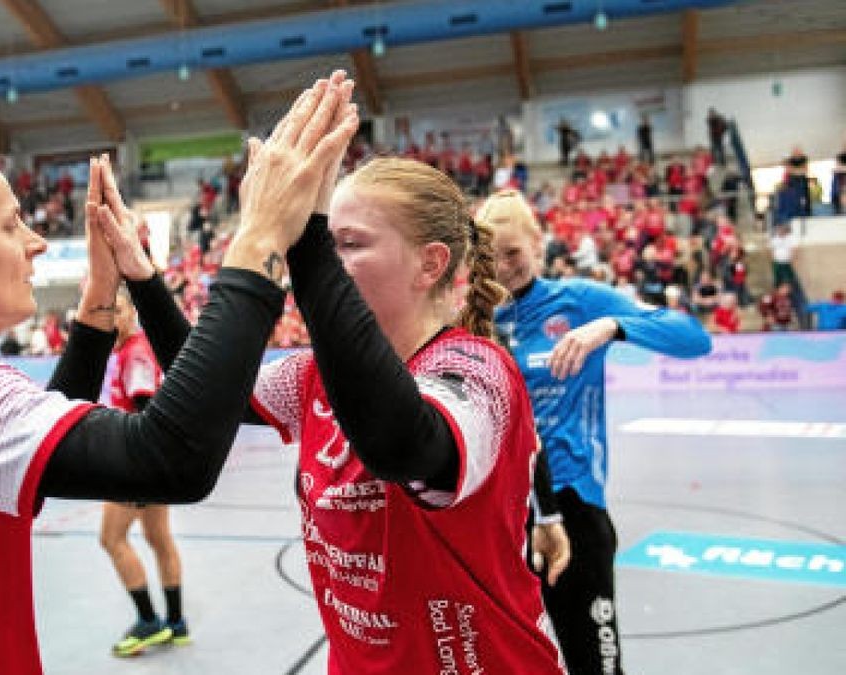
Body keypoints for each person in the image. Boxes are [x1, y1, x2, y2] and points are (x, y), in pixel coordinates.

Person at [0, 74, 358, 674]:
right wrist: (259, 238)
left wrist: (100, 299)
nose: (34, 243)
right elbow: (174, 460)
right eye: (8, 225)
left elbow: (39, 458)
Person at [93, 138, 565, 669]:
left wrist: (305, 238)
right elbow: (214, 386)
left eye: (350, 244)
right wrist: (144, 280)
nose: (326, 261)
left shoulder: (478, 370)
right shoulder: (314, 374)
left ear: (430, 264)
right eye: (327, 242)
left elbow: (402, 443)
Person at [480, 189, 711, 675]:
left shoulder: (579, 301)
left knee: (596, 665)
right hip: (501, 515)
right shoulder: (480, 320)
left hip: (574, 506)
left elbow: (694, 337)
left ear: (538, 244)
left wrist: (610, 326)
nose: (503, 268)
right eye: (492, 257)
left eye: (513, 253)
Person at [99, 292, 191, 656]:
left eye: (116, 309)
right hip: (152, 464)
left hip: (133, 464)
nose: (111, 316)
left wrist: (139, 472)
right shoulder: (128, 349)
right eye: (106, 309)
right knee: (159, 538)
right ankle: (176, 621)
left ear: (131, 312)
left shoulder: (135, 351)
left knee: (111, 539)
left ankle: (148, 621)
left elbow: (147, 409)